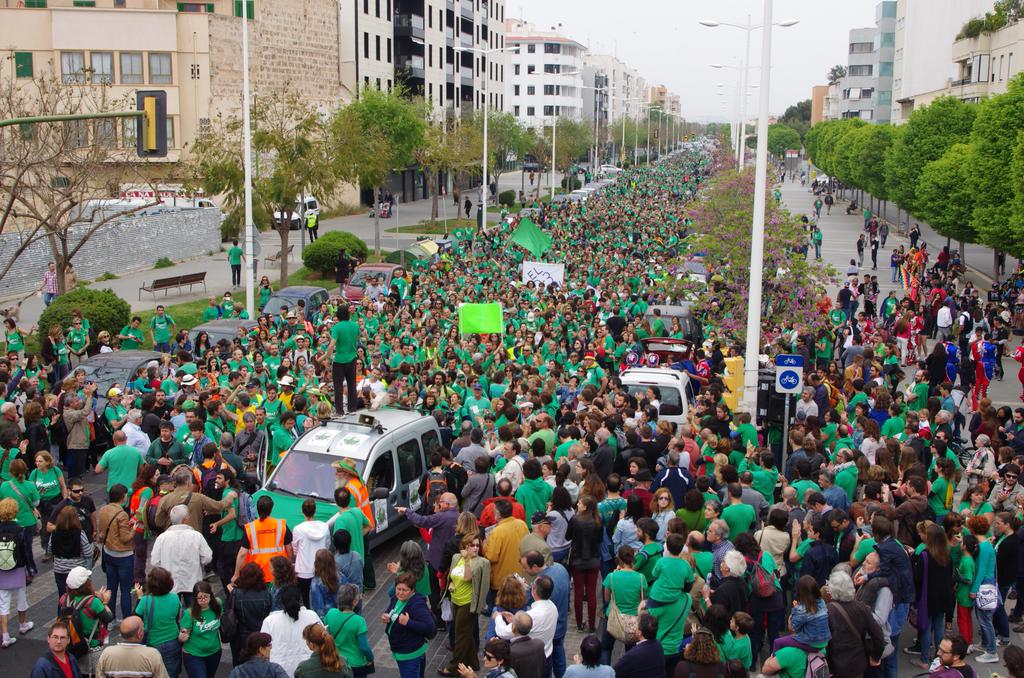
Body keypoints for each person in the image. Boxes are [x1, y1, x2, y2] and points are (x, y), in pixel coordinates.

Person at [440, 534, 490, 676]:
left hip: (468, 604)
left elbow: (469, 578)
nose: (475, 548)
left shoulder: (482, 563)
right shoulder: (456, 558)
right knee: (466, 634)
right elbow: (452, 575)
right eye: (471, 545)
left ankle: (453, 667)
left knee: (460, 636)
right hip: (455, 601)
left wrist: (468, 559)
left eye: (477, 545)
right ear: (464, 546)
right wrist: (451, 584)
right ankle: (473, 662)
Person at [823, 570, 884, 678]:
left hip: (835, 666)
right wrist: (875, 656)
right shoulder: (862, 608)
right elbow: (878, 635)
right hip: (857, 664)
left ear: (832, 591)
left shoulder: (828, 611)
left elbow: (823, 642)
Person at [151, 504, 212, 603]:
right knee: (193, 614)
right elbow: (207, 558)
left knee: (171, 616)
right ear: (184, 520)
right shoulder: (196, 536)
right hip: (192, 582)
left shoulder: (162, 538)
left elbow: (155, 562)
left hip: (170, 583)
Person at [381, 572, 437, 678]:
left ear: (412, 591)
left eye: (404, 590)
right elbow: (391, 609)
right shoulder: (395, 598)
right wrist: (386, 616)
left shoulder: (417, 605)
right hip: (402, 651)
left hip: (410, 654)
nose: (400, 593)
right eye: (398, 589)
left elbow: (429, 627)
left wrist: (408, 622)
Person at [260, 585, 322, 676]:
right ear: (300, 599)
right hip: (310, 671)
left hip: (279, 671)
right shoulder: (312, 616)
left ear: (281, 601)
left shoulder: (270, 621)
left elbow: (262, 648)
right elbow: (323, 639)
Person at [600, 546, 647, 664]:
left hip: (613, 617)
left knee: (606, 648)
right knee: (631, 651)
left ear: (619, 559)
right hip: (634, 620)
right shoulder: (641, 578)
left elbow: (606, 599)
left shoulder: (611, 577)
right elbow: (643, 599)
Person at [95, 483, 135, 620]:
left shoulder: (103, 509)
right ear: (123, 497)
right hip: (123, 555)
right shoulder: (122, 514)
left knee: (111, 587)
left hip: (108, 552)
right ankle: (127, 618)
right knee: (125, 589)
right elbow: (125, 538)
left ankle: (110, 618)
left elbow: (101, 532)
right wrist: (134, 528)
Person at [134, 567, 182, 677]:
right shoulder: (175, 598)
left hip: (153, 642)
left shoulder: (146, 600)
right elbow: (176, 618)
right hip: (173, 641)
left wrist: (139, 598)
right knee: (172, 674)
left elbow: (135, 618)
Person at [233, 494, 292, 584]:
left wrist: (236, 575)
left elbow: (242, 553)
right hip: (278, 572)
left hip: (257, 573)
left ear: (257, 509)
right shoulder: (281, 525)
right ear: (271, 509)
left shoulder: (250, 528)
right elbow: (289, 549)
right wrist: (289, 565)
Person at [225, 562, 272, 665]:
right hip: (261, 635)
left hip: (241, 637)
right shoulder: (267, 593)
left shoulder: (236, 594)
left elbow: (228, 612)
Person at [0, 497, 32, 648]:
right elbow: (26, 551)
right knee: (21, 599)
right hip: (18, 568)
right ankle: (22, 624)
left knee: (3, 604)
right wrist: (30, 568)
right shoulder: (20, 529)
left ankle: (5, 635)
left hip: (1, 570)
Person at [94, 616, 169, 678]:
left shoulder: (107, 653)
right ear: (139, 634)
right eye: (143, 628)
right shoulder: (152, 654)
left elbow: (99, 675)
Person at [325, 584, 374, 677]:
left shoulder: (331, 613)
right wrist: (370, 658)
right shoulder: (359, 621)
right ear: (354, 601)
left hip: (337, 661)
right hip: (356, 664)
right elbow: (364, 647)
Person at [178, 581, 223, 678]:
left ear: (211, 595)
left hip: (214, 652)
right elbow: (184, 634)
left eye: (206, 597)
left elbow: (221, 617)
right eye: (200, 598)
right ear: (195, 598)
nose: (203, 600)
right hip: (194, 655)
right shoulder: (189, 614)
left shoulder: (218, 604)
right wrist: (182, 637)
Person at [611, 613, 665, 678]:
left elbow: (614, 673)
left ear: (639, 633)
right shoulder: (659, 646)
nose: (634, 626)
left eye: (636, 625)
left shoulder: (633, 655)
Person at [329, 306, 359, 414]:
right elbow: (358, 338)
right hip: (352, 359)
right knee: (352, 385)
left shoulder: (336, 327)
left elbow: (332, 344)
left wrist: (327, 356)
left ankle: (340, 411)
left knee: (338, 387)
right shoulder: (355, 325)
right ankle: (352, 409)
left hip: (339, 360)